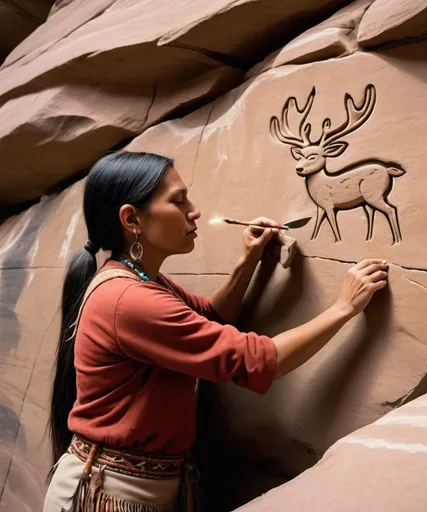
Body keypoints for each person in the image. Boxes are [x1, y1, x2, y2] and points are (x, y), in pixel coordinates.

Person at [44, 151, 388, 512]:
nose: (194, 211)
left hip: (144, 488)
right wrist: (343, 308)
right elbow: (258, 360)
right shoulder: (129, 299)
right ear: (132, 219)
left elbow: (207, 317)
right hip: (110, 496)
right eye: (178, 201)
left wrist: (249, 260)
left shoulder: (142, 280)